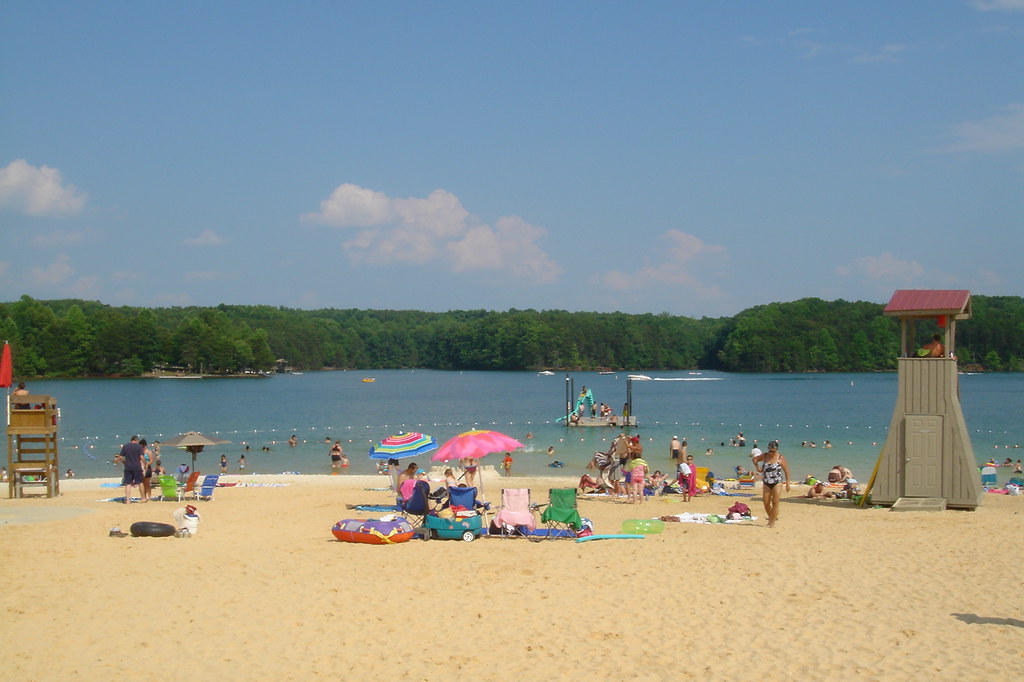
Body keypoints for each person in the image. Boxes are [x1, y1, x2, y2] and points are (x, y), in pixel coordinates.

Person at [753, 441, 790, 528]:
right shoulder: (765, 456)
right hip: (766, 482)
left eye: (774, 451)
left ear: (776, 450)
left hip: (777, 482)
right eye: (770, 451)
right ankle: (771, 517)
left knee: (775, 502)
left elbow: (786, 471)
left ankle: (772, 523)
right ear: (768, 449)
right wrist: (758, 467)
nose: (772, 453)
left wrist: (788, 484)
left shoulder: (780, 458)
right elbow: (754, 459)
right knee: (766, 503)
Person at [117, 436, 145, 504]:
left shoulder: (125, 446)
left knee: (128, 484)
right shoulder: (139, 447)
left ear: (131, 440)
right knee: (140, 482)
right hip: (137, 467)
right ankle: (143, 498)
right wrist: (145, 464)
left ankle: (128, 500)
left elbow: (120, 457)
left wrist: (124, 462)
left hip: (128, 467)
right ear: (136, 440)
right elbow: (141, 457)